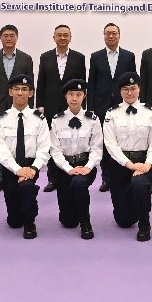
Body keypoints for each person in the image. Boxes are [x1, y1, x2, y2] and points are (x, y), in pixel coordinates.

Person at [101, 73, 152, 241]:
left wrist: (147, 164)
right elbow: (110, 145)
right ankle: (132, 208)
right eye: (125, 89)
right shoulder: (111, 114)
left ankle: (144, 223)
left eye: (133, 89)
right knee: (124, 220)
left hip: (143, 163)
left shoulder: (150, 113)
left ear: (139, 89)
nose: (129, 93)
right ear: (120, 91)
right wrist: (128, 164)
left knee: (139, 185)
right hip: (120, 164)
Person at [0, 74, 50, 239]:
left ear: (31, 93)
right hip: (10, 168)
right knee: (14, 221)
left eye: (24, 89)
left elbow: (44, 148)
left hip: (31, 165)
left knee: (26, 187)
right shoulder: (0, 120)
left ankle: (30, 222)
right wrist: (18, 170)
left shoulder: (40, 119)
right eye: (16, 89)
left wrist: (33, 169)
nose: (20, 93)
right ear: (10, 92)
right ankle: (27, 201)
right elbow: (2, 152)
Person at [46, 79, 101, 239]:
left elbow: (97, 148)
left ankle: (86, 223)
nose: (74, 98)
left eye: (78, 94)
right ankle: (73, 214)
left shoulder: (93, 120)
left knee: (79, 184)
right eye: (71, 94)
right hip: (64, 168)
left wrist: (88, 167)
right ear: (66, 97)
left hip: (85, 166)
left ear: (84, 96)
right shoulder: (57, 120)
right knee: (67, 221)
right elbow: (55, 150)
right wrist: (69, 169)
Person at [0, 24, 34, 120]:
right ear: (0, 38)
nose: (9, 38)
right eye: (5, 36)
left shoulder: (26, 59)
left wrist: (30, 108)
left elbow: (30, 85)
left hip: (20, 106)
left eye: (12, 35)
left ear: (17, 37)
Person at [35, 24, 87, 118]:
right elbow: (41, 83)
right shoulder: (45, 57)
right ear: (54, 38)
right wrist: (40, 106)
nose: (62, 38)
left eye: (66, 35)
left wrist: (82, 107)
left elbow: (82, 85)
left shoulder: (79, 58)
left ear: (70, 38)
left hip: (72, 106)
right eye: (59, 35)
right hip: (49, 106)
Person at [87, 22, 137, 117]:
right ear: (104, 36)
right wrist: (90, 108)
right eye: (107, 33)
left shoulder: (129, 56)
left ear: (119, 35)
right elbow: (91, 83)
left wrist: (134, 104)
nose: (111, 36)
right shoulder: (95, 57)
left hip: (123, 104)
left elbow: (133, 83)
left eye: (114, 33)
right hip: (100, 105)